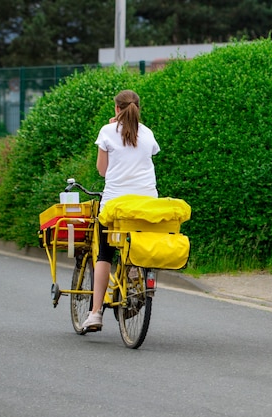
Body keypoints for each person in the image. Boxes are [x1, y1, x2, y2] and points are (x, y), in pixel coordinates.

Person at [82, 90, 160, 331]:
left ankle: (95, 313)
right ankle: (136, 273)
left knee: (104, 254)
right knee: (136, 240)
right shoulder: (147, 133)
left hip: (116, 205)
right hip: (147, 205)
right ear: (137, 108)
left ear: (117, 109)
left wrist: (110, 129)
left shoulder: (107, 132)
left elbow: (102, 170)